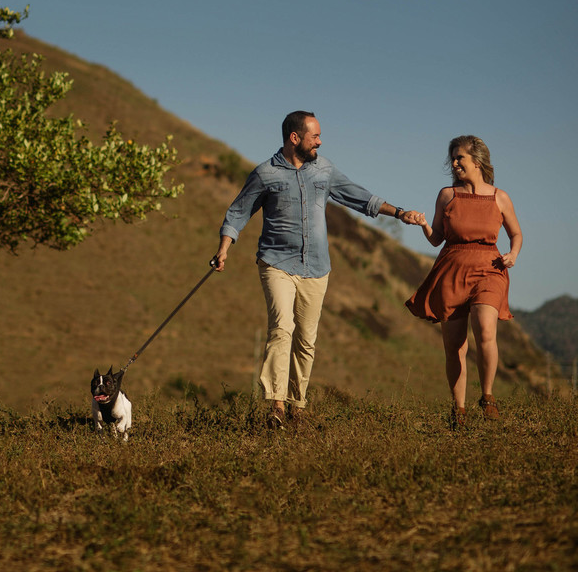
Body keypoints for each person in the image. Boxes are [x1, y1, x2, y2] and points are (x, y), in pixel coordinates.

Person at [211, 111, 424, 430]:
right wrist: (224, 249)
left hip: (316, 268)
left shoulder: (324, 170)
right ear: (294, 138)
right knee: (282, 328)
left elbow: (358, 196)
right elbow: (238, 213)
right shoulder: (265, 174)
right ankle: (276, 405)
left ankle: (297, 405)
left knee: (306, 339)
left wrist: (400, 213)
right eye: (315, 137)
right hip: (276, 263)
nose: (320, 142)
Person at [404, 135, 522, 425]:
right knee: (455, 345)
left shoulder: (500, 197)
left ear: (477, 161)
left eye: (460, 158)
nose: (454, 163)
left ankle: (488, 397)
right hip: (453, 268)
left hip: (490, 268)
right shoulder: (447, 195)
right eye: (453, 158)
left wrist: (513, 254)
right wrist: (423, 226)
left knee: (485, 330)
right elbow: (436, 240)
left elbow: (516, 234)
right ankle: (459, 409)